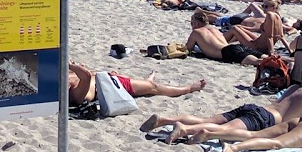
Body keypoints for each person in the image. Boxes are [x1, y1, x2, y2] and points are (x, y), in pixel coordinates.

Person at [144, 66, 302, 143]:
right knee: (224, 129)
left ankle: (165, 119)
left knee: (209, 119)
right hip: (266, 119)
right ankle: (183, 129)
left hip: (255, 108)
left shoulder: (295, 87)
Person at [66, 62, 207, 109]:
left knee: (147, 84)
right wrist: (70, 64)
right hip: (115, 87)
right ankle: (188, 88)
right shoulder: (76, 95)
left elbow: (87, 73)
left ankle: (146, 81)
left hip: (109, 78)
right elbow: (85, 75)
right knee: (154, 87)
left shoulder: (65, 81)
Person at [186, 10, 258, 66]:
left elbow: (188, 48)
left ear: (196, 23)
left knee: (257, 62)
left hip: (226, 52)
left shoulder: (196, 32)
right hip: (234, 47)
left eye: (192, 23)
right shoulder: (214, 29)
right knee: (264, 57)